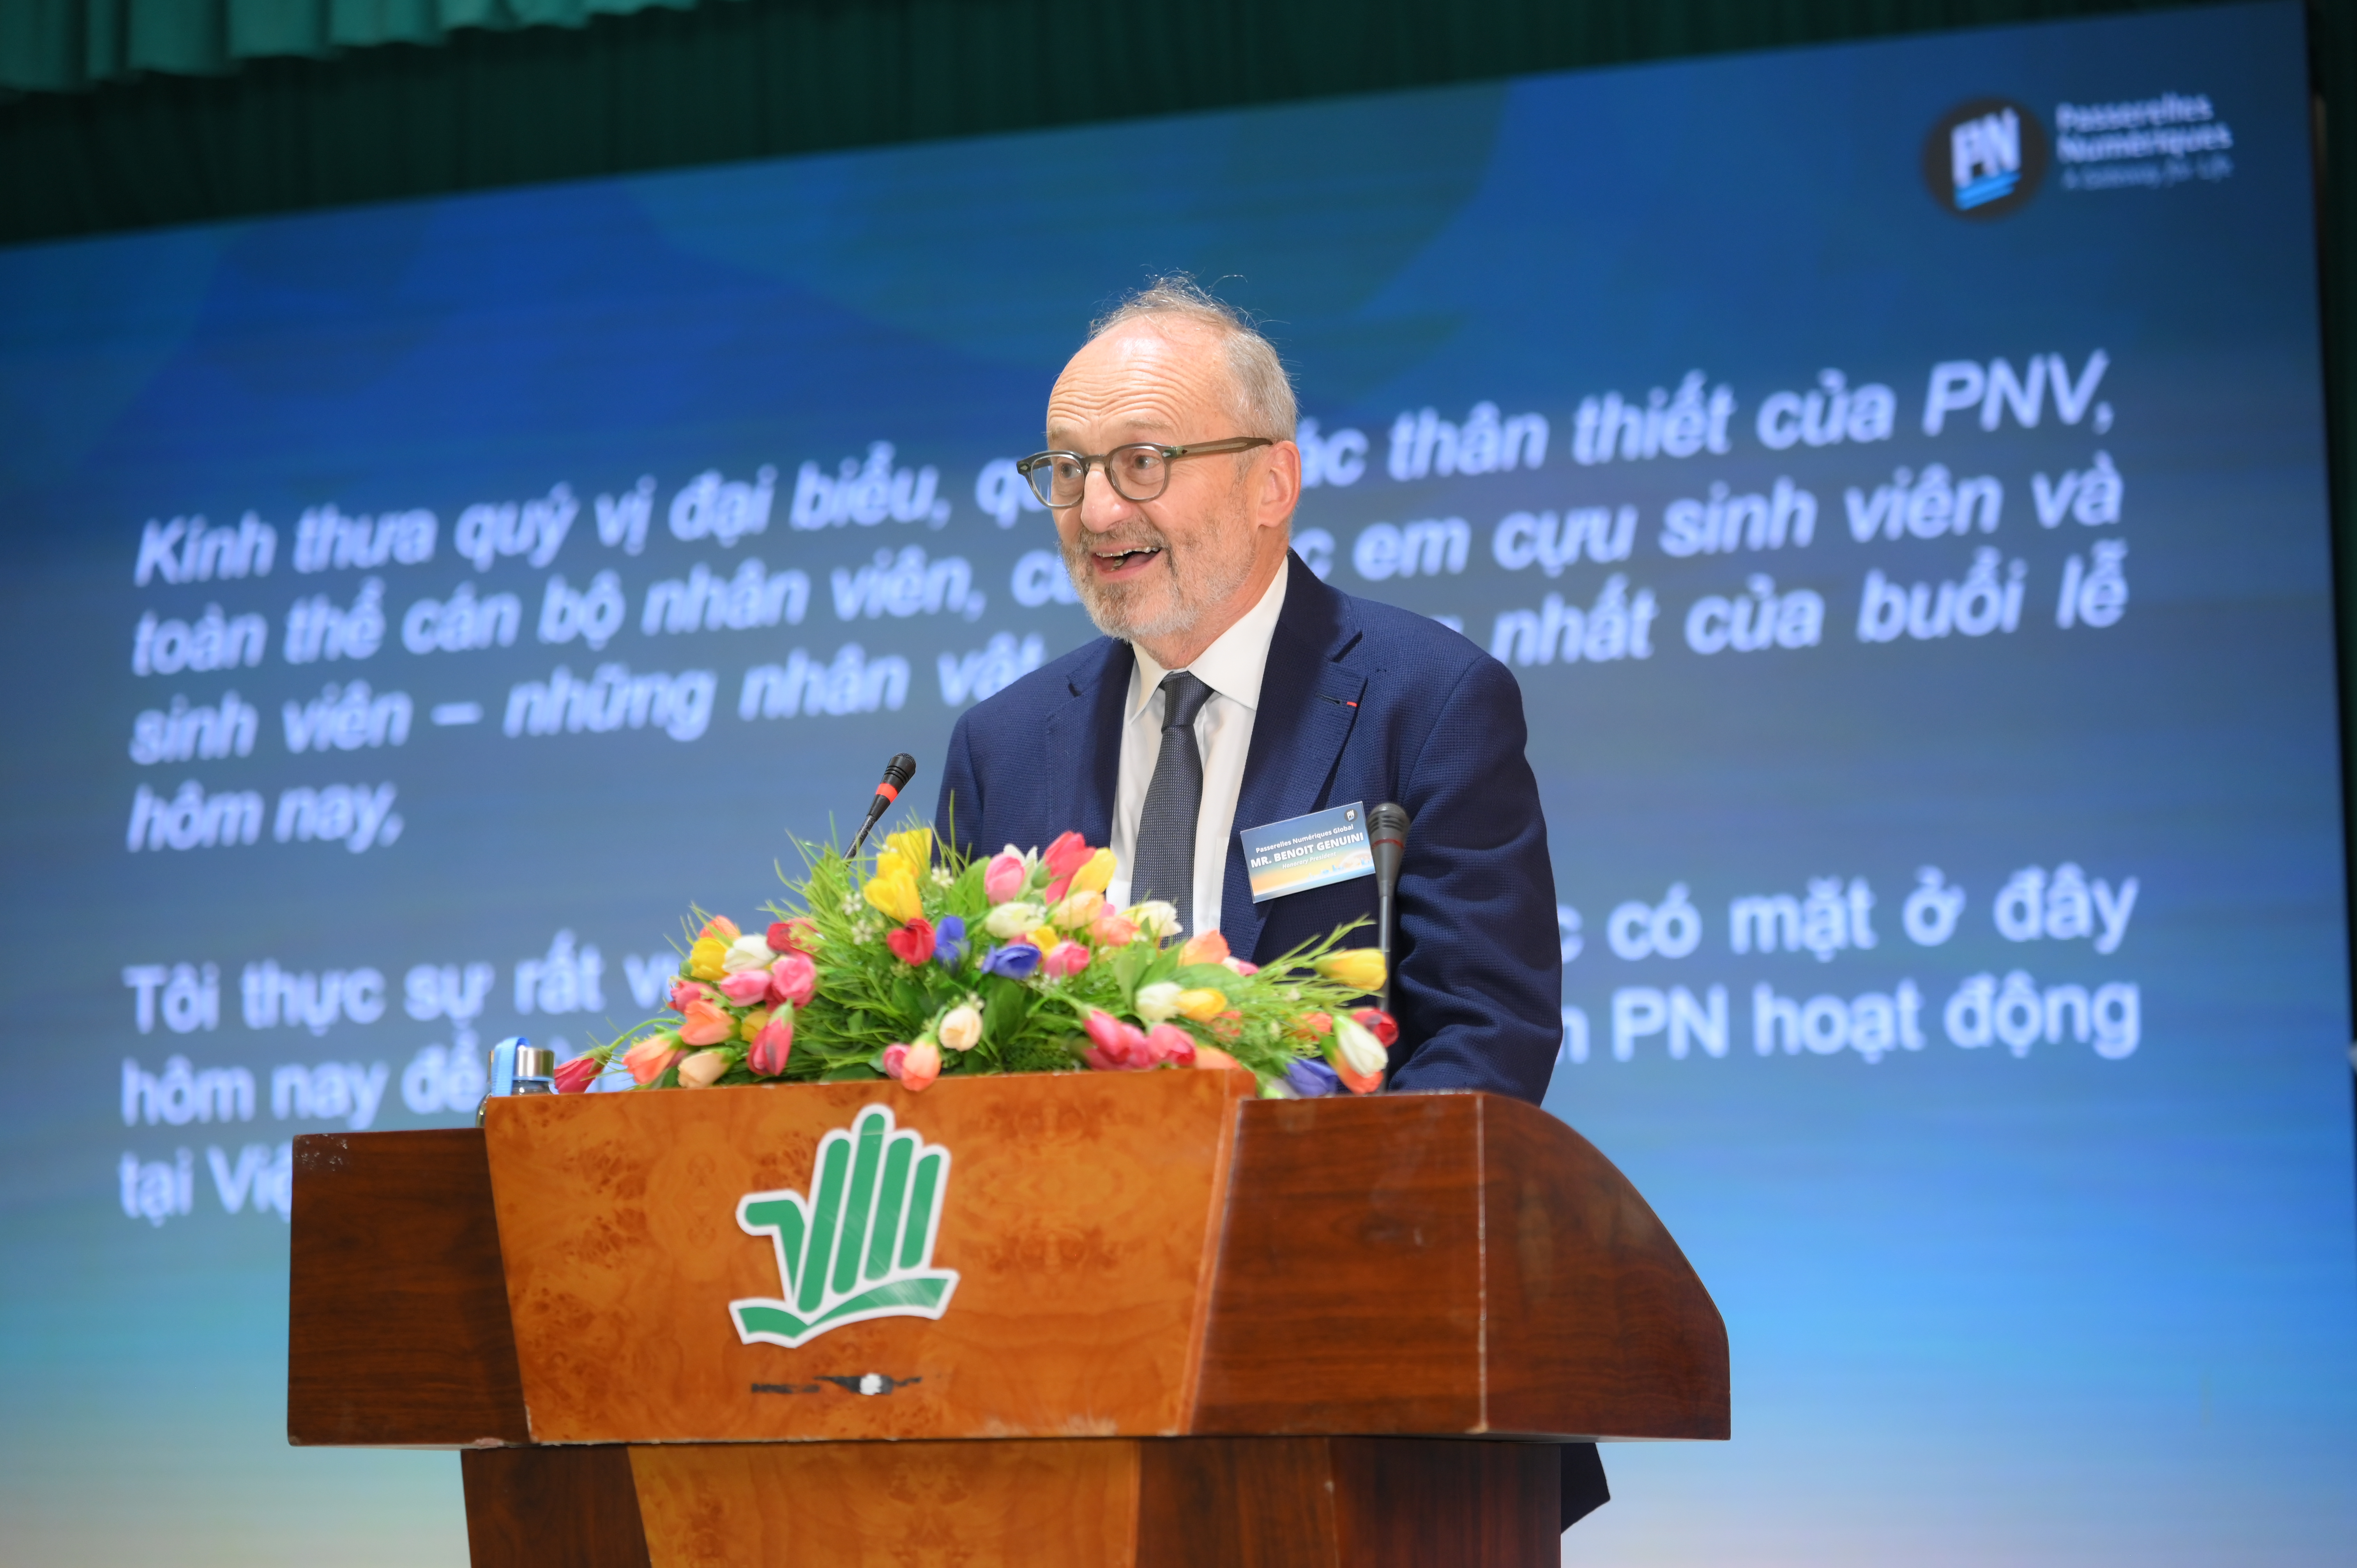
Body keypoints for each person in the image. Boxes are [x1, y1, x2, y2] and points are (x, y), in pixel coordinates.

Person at [935, 277, 1605, 1529]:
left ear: (1271, 483)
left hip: (1366, 1383)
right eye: (1066, 471)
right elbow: (953, 1063)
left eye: (1139, 463)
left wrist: (1309, 1263)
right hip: (1058, 1398)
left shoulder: (1428, 699)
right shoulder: (1003, 745)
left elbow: (1488, 1038)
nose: (1093, 509)